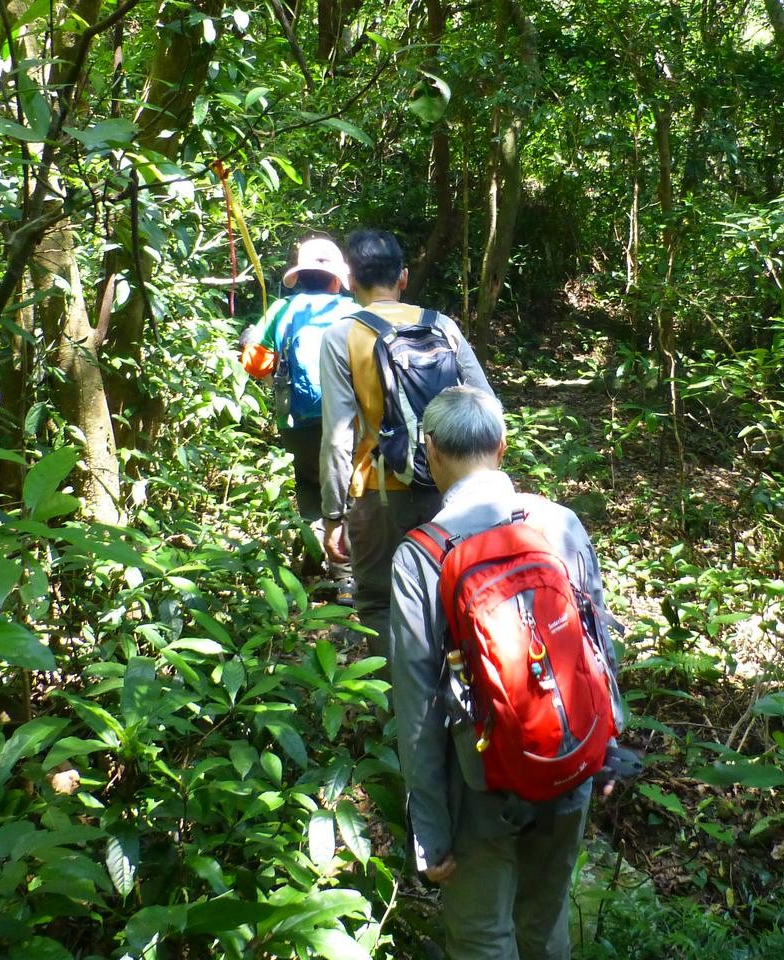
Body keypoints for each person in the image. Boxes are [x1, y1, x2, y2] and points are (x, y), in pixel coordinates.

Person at [389, 386, 628, 960]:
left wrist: (430, 830)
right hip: (569, 756)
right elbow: (598, 644)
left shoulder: (420, 556)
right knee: (544, 925)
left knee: (482, 937)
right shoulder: (559, 523)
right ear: (502, 445)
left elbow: (418, 708)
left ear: (430, 451)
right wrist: (606, 748)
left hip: (479, 780)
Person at [319, 228, 494, 653]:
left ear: (350, 280)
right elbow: (487, 406)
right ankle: (453, 689)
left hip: (380, 492)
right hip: (451, 488)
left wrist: (333, 516)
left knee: (380, 603)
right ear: (403, 276)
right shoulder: (443, 326)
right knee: (452, 596)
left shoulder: (342, 336)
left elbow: (339, 437)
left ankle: (398, 694)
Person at [241, 237, 354, 572]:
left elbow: (255, 364)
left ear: (300, 277)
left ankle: (316, 559)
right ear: (337, 280)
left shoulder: (283, 309)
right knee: (349, 488)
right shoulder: (354, 311)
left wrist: (252, 344)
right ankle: (346, 574)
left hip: (298, 418)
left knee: (308, 484)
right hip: (350, 418)